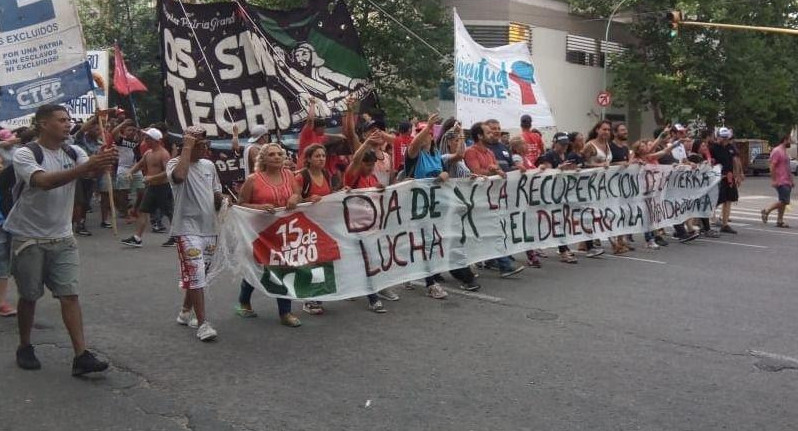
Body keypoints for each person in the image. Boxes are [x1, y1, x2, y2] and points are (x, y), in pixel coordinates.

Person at [7, 104, 116, 374]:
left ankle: (81, 355)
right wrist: (86, 168)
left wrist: (102, 163)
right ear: (43, 124)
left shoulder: (73, 151)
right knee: (29, 296)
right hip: (28, 236)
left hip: (62, 236)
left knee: (70, 295)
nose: (68, 124)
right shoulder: (25, 153)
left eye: (69, 120)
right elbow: (43, 182)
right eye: (61, 120)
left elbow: (88, 172)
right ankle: (24, 345)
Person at [235, 144, 304, 325]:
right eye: (271, 154)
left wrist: (295, 198)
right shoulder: (253, 180)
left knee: (283, 268)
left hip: (284, 232)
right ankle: (244, 299)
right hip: (259, 234)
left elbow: (298, 195)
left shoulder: (289, 175)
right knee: (258, 269)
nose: (276, 157)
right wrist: (258, 207)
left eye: (279, 154)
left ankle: (285, 313)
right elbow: (240, 204)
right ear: (263, 159)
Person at [169, 128, 223, 341]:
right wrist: (187, 147)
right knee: (197, 273)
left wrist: (223, 201)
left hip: (209, 229)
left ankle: (184, 312)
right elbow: (180, 177)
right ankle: (202, 324)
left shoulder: (209, 166)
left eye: (205, 144)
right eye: (199, 145)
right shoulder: (175, 164)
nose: (205, 149)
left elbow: (216, 190)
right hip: (186, 229)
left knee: (200, 275)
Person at [464, 122, 524, 278]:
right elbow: (477, 172)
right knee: (484, 231)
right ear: (479, 136)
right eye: (488, 132)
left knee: (492, 230)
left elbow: (497, 169)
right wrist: (492, 171)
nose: (492, 134)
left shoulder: (490, 152)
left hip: (491, 198)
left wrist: (497, 171)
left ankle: (495, 262)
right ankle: (502, 265)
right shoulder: (471, 152)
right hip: (476, 199)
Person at [342, 140, 389, 312]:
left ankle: (354, 288)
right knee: (366, 260)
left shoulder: (372, 177)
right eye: (367, 165)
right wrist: (367, 143)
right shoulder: (352, 176)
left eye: (372, 165)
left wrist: (380, 189)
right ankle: (373, 298)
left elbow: (375, 194)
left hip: (370, 226)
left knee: (362, 260)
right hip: (354, 226)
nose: (370, 168)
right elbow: (355, 161)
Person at [295, 144, 334, 315]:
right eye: (317, 156)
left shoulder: (326, 174)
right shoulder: (301, 177)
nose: (321, 159)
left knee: (322, 260)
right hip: (305, 224)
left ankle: (318, 294)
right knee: (310, 261)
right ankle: (308, 299)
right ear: (308, 159)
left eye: (323, 156)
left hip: (323, 223)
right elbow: (294, 200)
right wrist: (308, 199)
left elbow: (329, 196)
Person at [121, 128, 174, 248]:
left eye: (148, 138)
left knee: (170, 213)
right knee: (143, 211)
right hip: (152, 188)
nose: (145, 140)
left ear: (155, 140)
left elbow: (168, 172)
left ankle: (176, 237)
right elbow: (139, 164)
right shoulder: (148, 153)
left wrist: (152, 178)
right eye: (145, 138)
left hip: (163, 187)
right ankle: (137, 238)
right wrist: (130, 171)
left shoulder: (163, 154)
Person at [537, 132, 579, 263]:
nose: (565, 147)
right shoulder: (549, 155)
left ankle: (563, 247)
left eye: (566, 144)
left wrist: (573, 169)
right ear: (555, 143)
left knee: (562, 220)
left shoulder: (565, 155)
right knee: (556, 221)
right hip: (552, 193)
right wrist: (559, 168)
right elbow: (548, 172)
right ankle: (563, 250)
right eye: (562, 144)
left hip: (562, 192)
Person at [710, 127, 743, 233]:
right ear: (718, 137)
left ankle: (725, 224)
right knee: (716, 199)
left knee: (728, 199)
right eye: (722, 138)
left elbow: (735, 160)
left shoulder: (730, 147)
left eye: (726, 138)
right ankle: (702, 220)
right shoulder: (713, 148)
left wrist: (738, 175)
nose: (724, 140)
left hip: (729, 176)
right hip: (717, 177)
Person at [112, 119, 144, 222]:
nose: (132, 132)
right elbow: (113, 133)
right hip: (123, 168)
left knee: (142, 191)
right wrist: (123, 123)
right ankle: (124, 212)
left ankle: (135, 209)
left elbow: (142, 136)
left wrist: (139, 131)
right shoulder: (121, 140)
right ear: (124, 131)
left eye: (133, 130)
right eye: (129, 130)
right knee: (123, 192)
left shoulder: (137, 142)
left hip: (136, 169)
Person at [761, 134, 794, 228]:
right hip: (781, 180)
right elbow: (772, 166)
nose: (790, 142)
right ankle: (766, 210)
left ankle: (780, 221)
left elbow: (787, 167)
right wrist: (774, 180)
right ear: (785, 140)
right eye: (789, 140)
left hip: (787, 180)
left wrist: (791, 180)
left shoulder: (784, 151)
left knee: (782, 201)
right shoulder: (777, 151)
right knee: (784, 201)